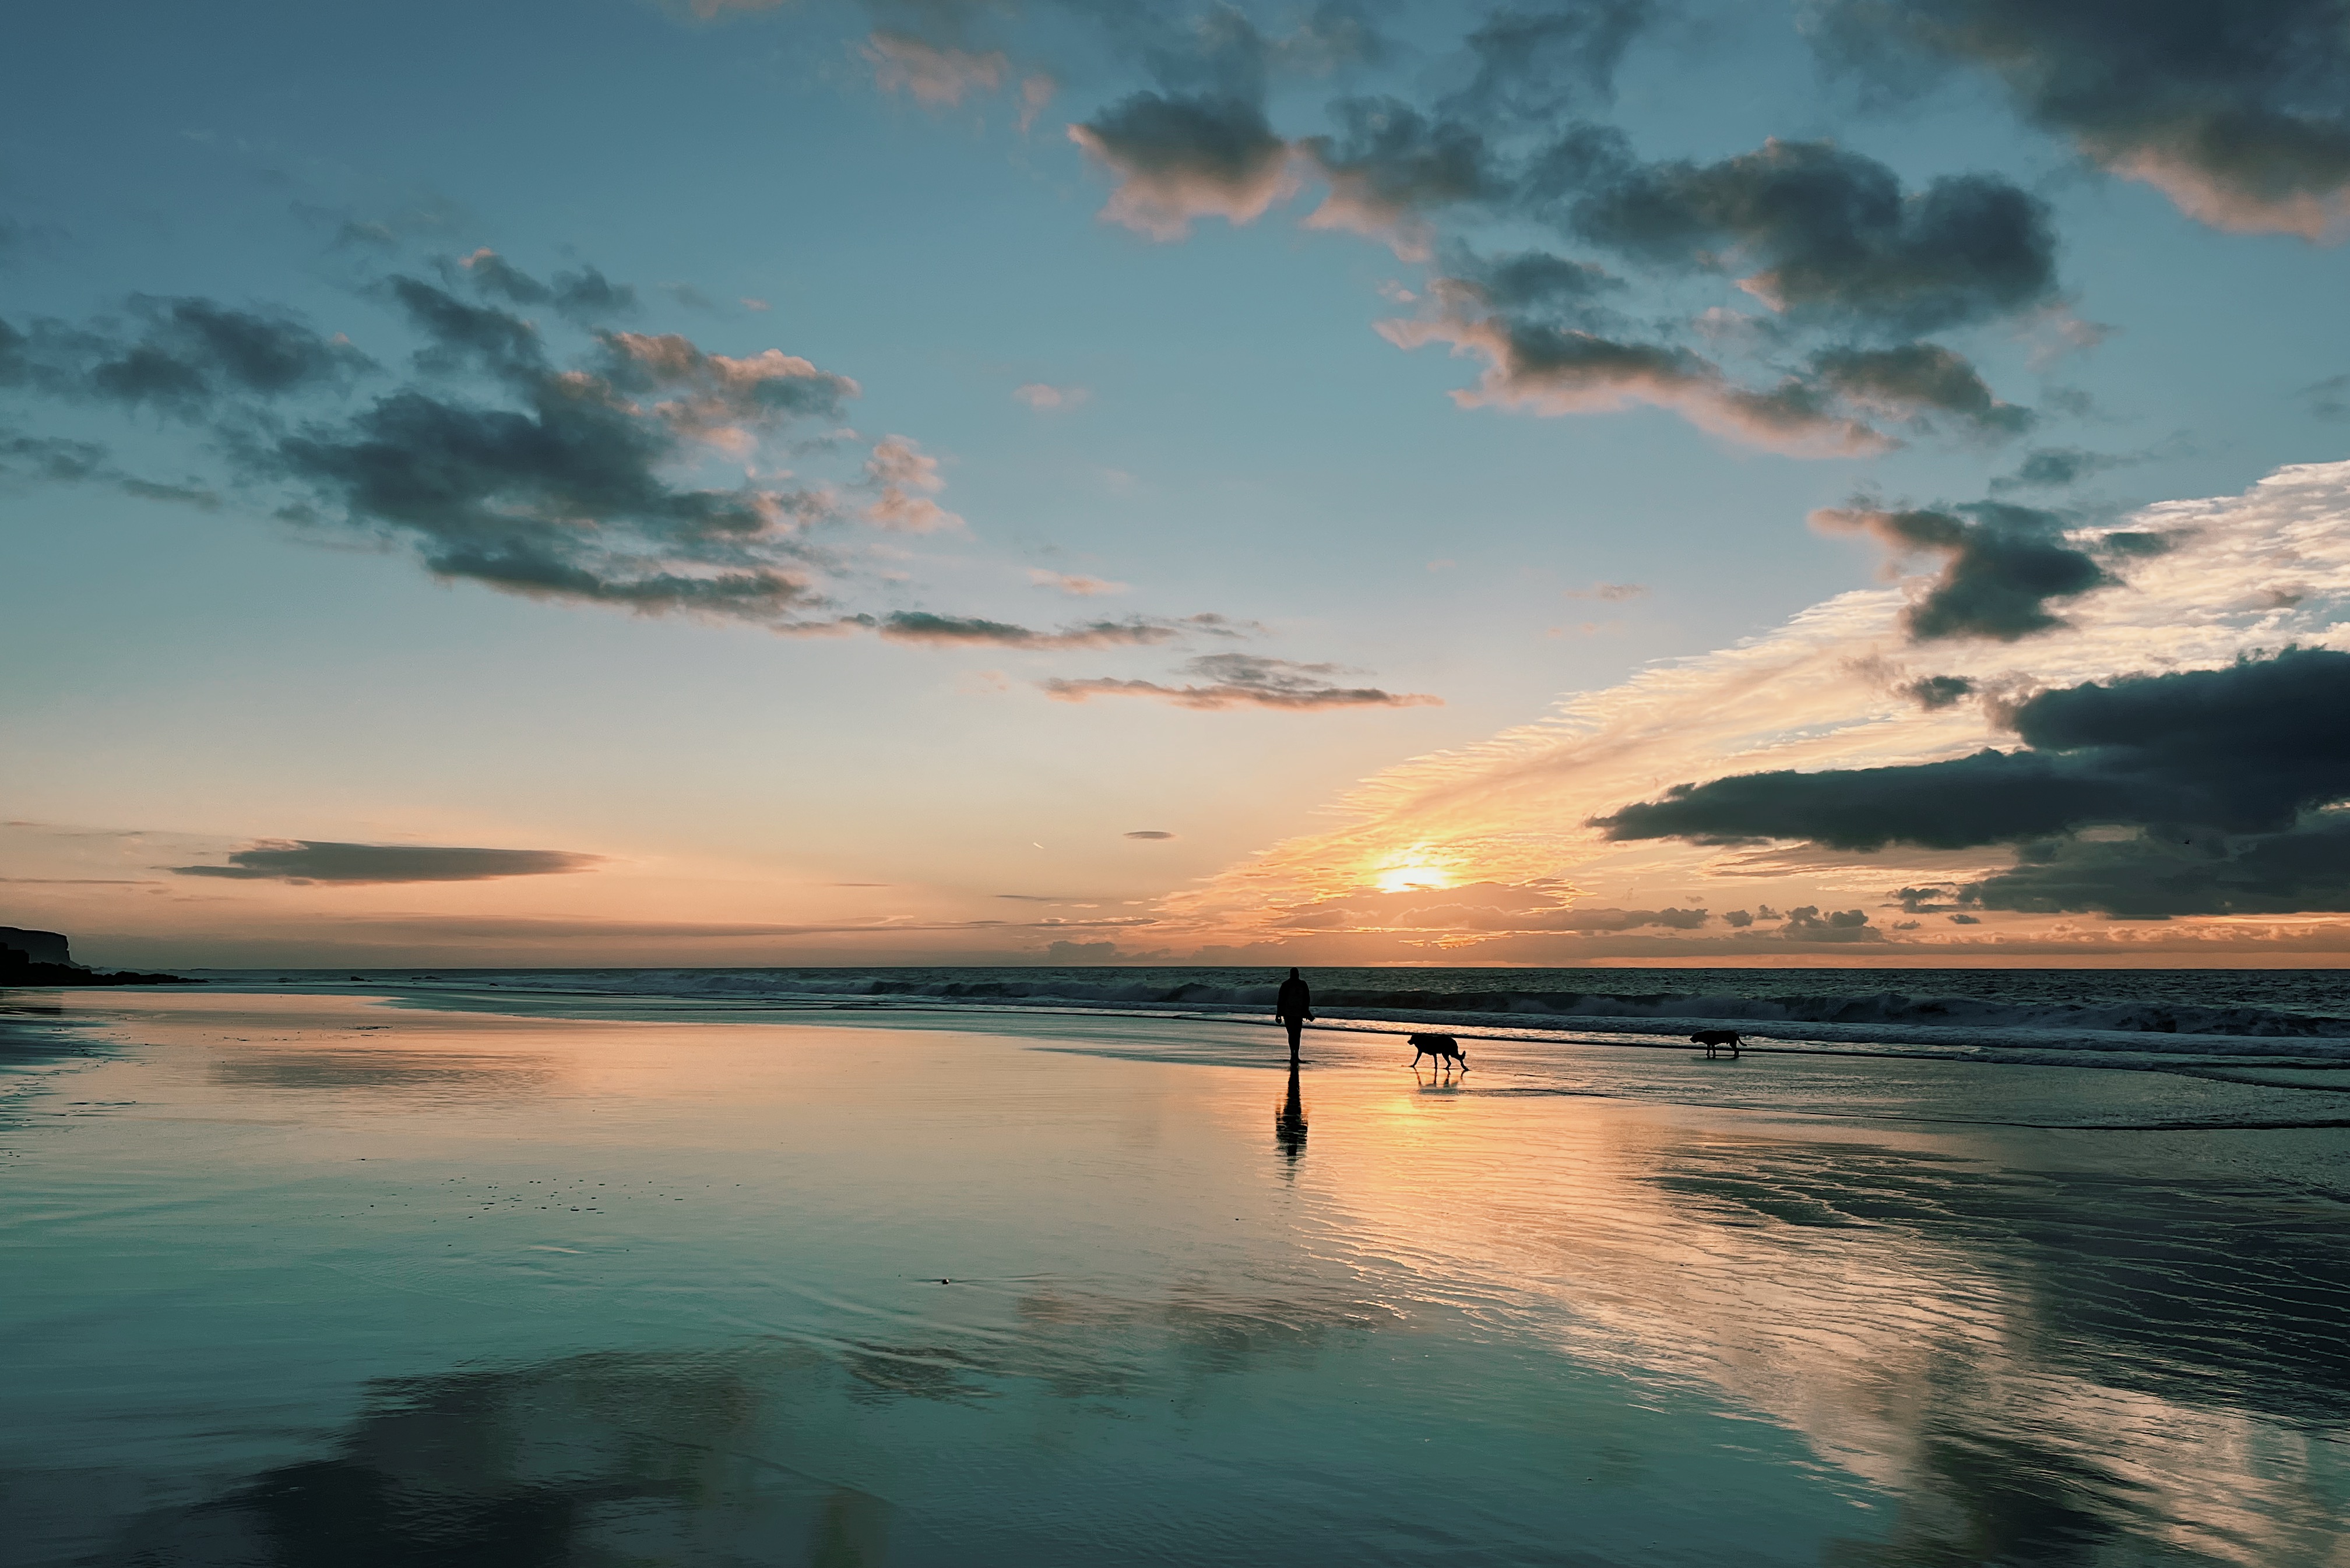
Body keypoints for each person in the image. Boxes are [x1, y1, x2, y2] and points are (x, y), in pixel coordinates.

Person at [1274, 967, 1313, 1062]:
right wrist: (1278, 1014)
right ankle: (1294, 1055)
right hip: (1290, 1014)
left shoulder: (1298, 985)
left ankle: (1295, 1055)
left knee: (1294, 1035)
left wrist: (1306, 1011)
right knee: (1294, 1035)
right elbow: (1281, 1000)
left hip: (1296, 1014)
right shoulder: (1288, 985)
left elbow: (1307, 999)